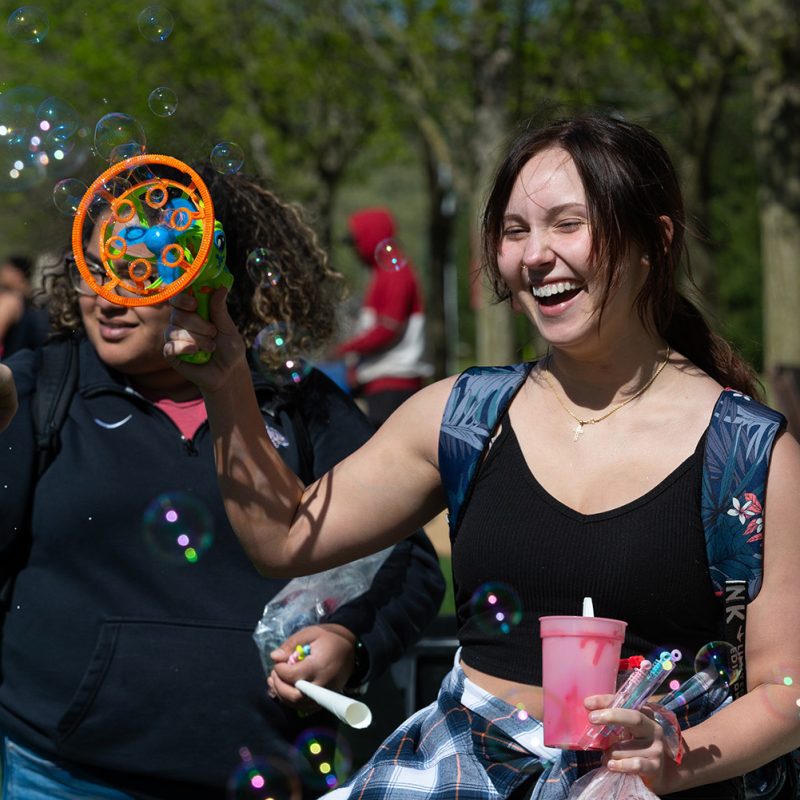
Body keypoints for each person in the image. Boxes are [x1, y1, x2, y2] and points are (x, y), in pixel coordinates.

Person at [164, 114, 800, 799]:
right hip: (459, 773)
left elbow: (786, 689)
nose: (534, 256)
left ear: (656, 240)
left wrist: (673, 756)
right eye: (515, 231)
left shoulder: (749, 454)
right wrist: (226, 382)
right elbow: (283, 537)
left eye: (567, 224)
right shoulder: (463, 419)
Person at [0, 163, 445, 800]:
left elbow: (406, 560)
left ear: (204, 274)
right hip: (64, 775)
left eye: (139, 272)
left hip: (267, 768)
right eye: (95, 269)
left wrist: (352, 636)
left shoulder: (298, 404)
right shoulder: (36, 390)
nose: (108, 296)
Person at [334, 207, 432, 427]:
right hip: (383, 382)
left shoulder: (395, 273)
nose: (355, 250)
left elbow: (387, 329)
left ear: (370, 238)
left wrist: (344, 350)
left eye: (357, 242)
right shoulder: (383, 272)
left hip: (394, 382)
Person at [0, 254, 50, 358]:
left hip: (9, 366)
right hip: (28, 367)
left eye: (6, 270)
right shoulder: (38, 301)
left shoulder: (11, 301)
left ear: (17, 274)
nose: (2, 274)